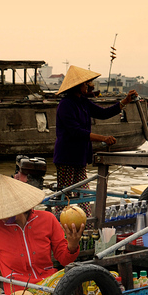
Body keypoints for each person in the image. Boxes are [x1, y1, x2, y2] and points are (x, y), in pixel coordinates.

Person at [53, 66, 139, 212]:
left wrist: (125, 101)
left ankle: (88, 223)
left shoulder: (83, 102)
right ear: (77, 85)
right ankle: (59, 226)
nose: (88, 86)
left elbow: (104, 113)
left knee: (84, 193)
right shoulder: (65, 105)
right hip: (66, 157)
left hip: (80, 157)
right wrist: (103, 138)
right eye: (85, 83)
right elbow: (76, 132)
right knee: (65, 196)